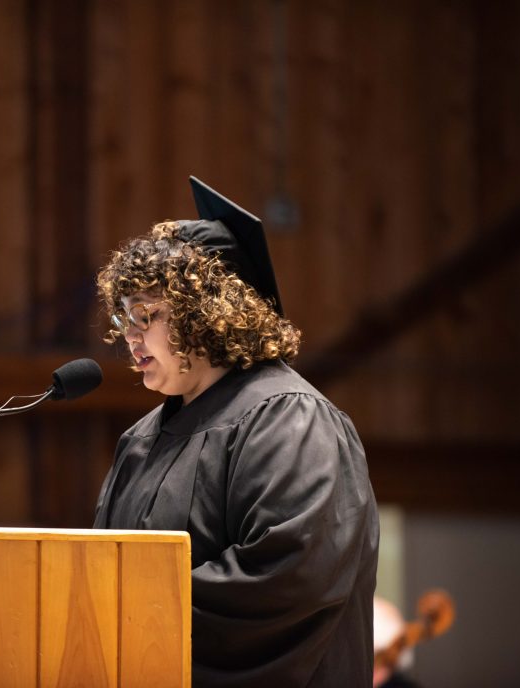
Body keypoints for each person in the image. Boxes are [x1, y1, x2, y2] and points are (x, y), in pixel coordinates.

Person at [93, 177, 380, 686]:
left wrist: (130, 620)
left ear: (206, 313)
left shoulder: (289, 419)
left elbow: (289, 580)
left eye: (146, 314)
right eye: (125, 316)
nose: (130, 335)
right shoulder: (141, 440)